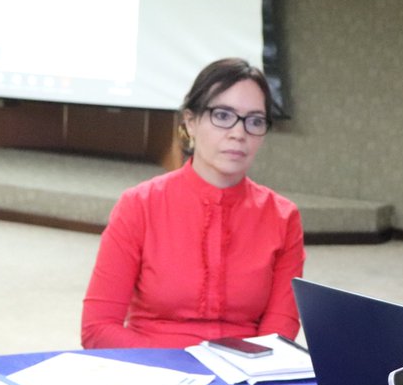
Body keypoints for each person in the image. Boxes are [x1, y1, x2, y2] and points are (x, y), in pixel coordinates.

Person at [82, 58, 305, 348]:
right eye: (222, 115)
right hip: (152, 366)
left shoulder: (283, 217)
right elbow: (97, 328)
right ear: (191, 122)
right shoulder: (139, 205)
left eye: (254, 121)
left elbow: (279, 332)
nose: (238, 133)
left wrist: (246, 365)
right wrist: (177, 363)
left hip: (245, 369)